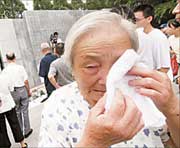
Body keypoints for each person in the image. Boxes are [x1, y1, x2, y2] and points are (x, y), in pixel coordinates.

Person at [39, 11, 179, 147]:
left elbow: (169, 141)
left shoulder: (147, 92)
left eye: (120, 65)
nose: (107, 79)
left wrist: (172, 109)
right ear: (73, 69)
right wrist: (94, 142)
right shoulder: (60, 106)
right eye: (91, 66)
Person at [133, 4, 172, 75]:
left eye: (137, 20)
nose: (135, 22)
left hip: (153, 79)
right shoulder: (137, 33)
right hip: (139, 76)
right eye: (134, 19)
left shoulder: (159, 37)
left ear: (149, 19)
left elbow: (164, 67)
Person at [2, 52, 33, 138]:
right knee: (25, 111)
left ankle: (20, 132)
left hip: (13, 92)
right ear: (15, 58)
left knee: (17, 112)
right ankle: (27, 130)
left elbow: (5, 84)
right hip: (22, 89)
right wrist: (28, 91)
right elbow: (26, 81)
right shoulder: (20, 67)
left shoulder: (5, 71)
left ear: (7, 59)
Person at [0, 72, 28, 148]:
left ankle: (5, 146)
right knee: (15, 123)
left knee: (1, 129)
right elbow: (11, 88)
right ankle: (22, 144)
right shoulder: (5, 76)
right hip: (8, 103)